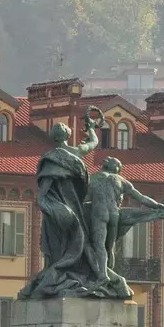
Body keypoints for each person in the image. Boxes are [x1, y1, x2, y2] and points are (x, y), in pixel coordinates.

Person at [19, 118, 102, 299]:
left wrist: (45, 203)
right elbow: (93, 143)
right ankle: (65, 273)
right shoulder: (76, 152)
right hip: (73, 206)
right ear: (67, 135)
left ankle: (57, 272)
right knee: (77, 238)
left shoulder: (49, 159)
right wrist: (91, 127)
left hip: (56, 207)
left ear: (53, 137)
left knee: (57, 244)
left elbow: (44, 189)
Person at [85, 155, 164, 291]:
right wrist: (160, 206)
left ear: (109, 166)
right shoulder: (121, 180)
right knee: (110, 247)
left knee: (99, 245)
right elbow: (141, 198)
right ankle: (110, 276)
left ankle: (103, 275)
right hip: (114, 214)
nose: (107, 158)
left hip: (99, 213)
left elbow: (83, 198)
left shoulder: (93, 178)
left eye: (110, 159)